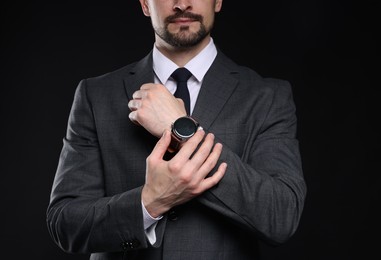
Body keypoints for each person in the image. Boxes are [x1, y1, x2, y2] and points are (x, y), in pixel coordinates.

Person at [46, 0, 307, 259]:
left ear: (218, 1)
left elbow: (281, 216)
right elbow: (65, 223)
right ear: (145, 5)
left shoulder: (268, 96)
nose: (182, 4)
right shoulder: (96, 95)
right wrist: (150, 202)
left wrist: (182, 130)